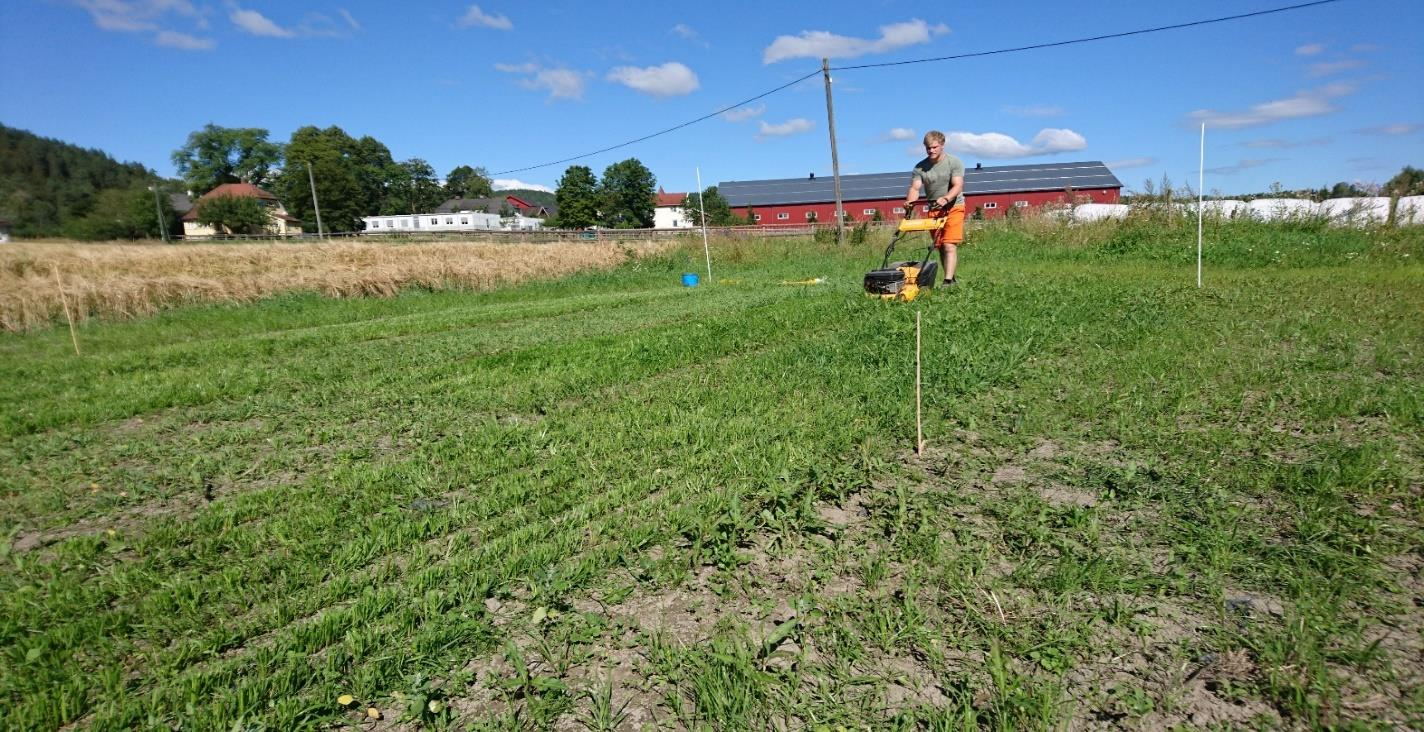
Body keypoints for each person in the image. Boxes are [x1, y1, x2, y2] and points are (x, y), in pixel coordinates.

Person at [904, 130, 966, 286]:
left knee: (949, 244)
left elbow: (958, 185)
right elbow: (915, 188)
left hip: (954, 206)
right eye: (928, 148)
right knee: (939, 246)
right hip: (934, 209)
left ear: (942, 145)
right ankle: (951, 277)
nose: (931, 151)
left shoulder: (954, 162)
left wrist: (946, 198)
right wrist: (909, 203)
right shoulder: (920, 167)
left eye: (934, 147)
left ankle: (947, 281)